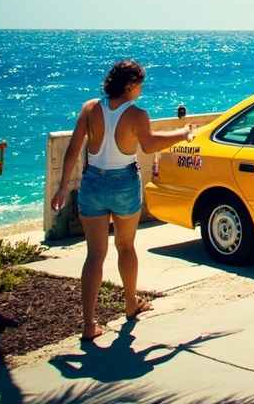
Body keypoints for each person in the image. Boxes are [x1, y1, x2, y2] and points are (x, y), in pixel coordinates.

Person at [51, 59, 193, 341]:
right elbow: (150, 144)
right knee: (126, 246)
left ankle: (89, 324)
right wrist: (184, 133)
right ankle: (130, 303)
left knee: (95, 255)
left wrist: (63, 188)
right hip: (124, 182)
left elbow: (73, 149)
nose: (141, 89)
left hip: (93, 181)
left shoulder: (90, 108)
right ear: (129, 85)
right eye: (139, 84)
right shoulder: (137, 114)